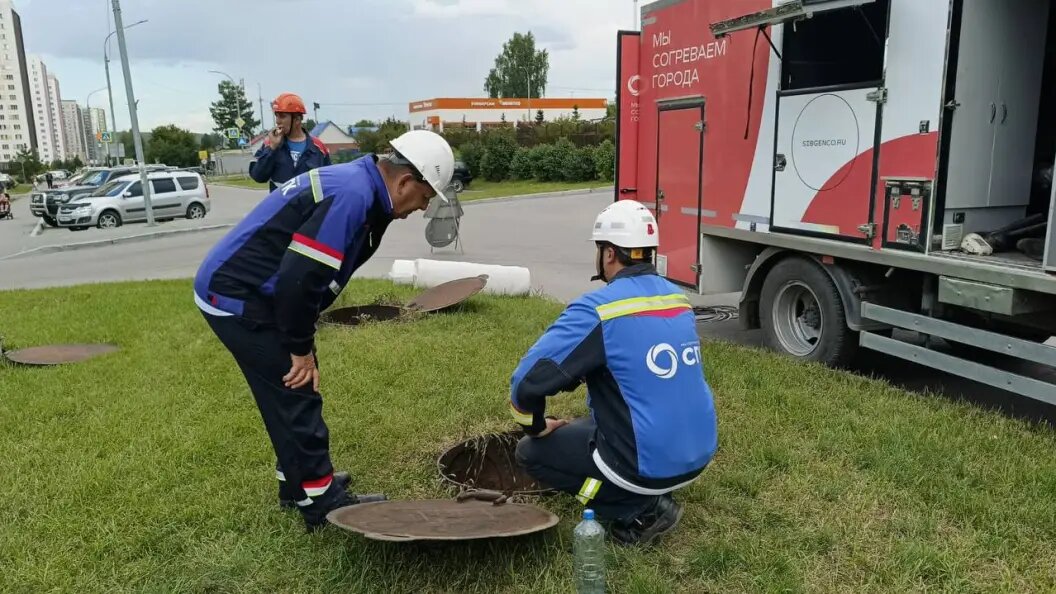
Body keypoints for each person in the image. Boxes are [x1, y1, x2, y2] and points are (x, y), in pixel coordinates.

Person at [194, 129, 455, 531]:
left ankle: (298, 484)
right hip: (238, 298)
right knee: (297, 389)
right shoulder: (353, 195)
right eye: (423, 199)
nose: (420, 209)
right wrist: (301, 348)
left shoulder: (361, 185)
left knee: (284, 392)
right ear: (404, 181)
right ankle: (322, 503)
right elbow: (299, 279)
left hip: (244, 292)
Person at [509, 199, 719, 547]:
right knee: (588, 420)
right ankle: (635, 491)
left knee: (530, 454)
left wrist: (533, 425)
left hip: (646, 466)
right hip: (698, 453)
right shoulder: (678, 299)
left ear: (608, 254)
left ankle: (631, 509)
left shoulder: (600, 310)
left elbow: (528, 380)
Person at [249, 92, 332, 192]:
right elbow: (258, 176)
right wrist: (272, 149)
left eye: (282, 116)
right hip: (281, 206)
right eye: (277, 116)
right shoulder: (270, 144)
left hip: (309, 207)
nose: (278, 121)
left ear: (297, 119)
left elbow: (328, 182)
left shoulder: (318, 148)